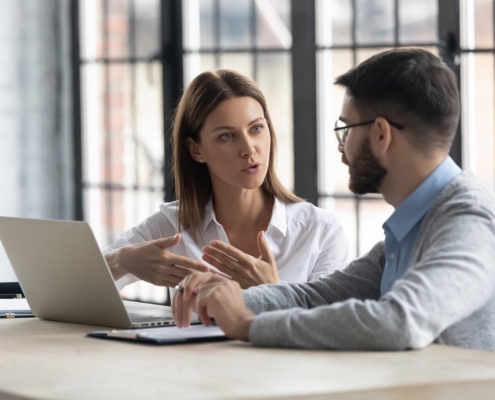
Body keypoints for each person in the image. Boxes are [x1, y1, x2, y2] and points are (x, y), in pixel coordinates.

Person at [172, 48, 495, 352]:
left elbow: (400, 321)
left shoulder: (469, 219)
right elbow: (319, 297)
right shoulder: (412, 226)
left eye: (346, 128)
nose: (342, 146)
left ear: (381, 135)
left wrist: (248, 324)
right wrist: (225, 297)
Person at [103, 69, 350, 292]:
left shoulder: (320, 231)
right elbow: (70, 284)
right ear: (196, 150)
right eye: (227, 136)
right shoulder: (173, 227)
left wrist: (272, 289)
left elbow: (330, 327)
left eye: (256, 129)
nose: (248, 149)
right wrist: (122, 261)